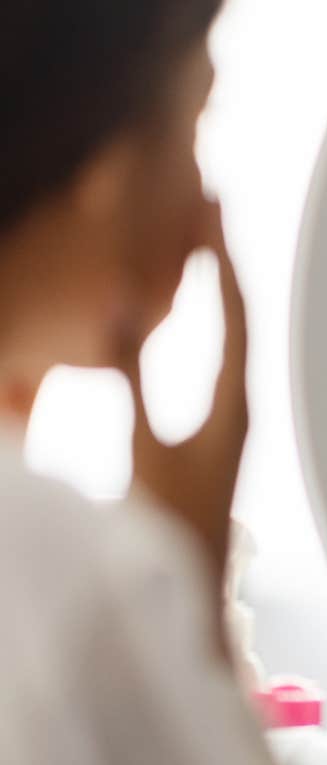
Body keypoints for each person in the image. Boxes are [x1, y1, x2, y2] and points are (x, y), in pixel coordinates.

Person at [0, 1, 273, 762]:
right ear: (108, 174)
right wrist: (190, 604)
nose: (201, 208)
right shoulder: (58, 570)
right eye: (197, 120)